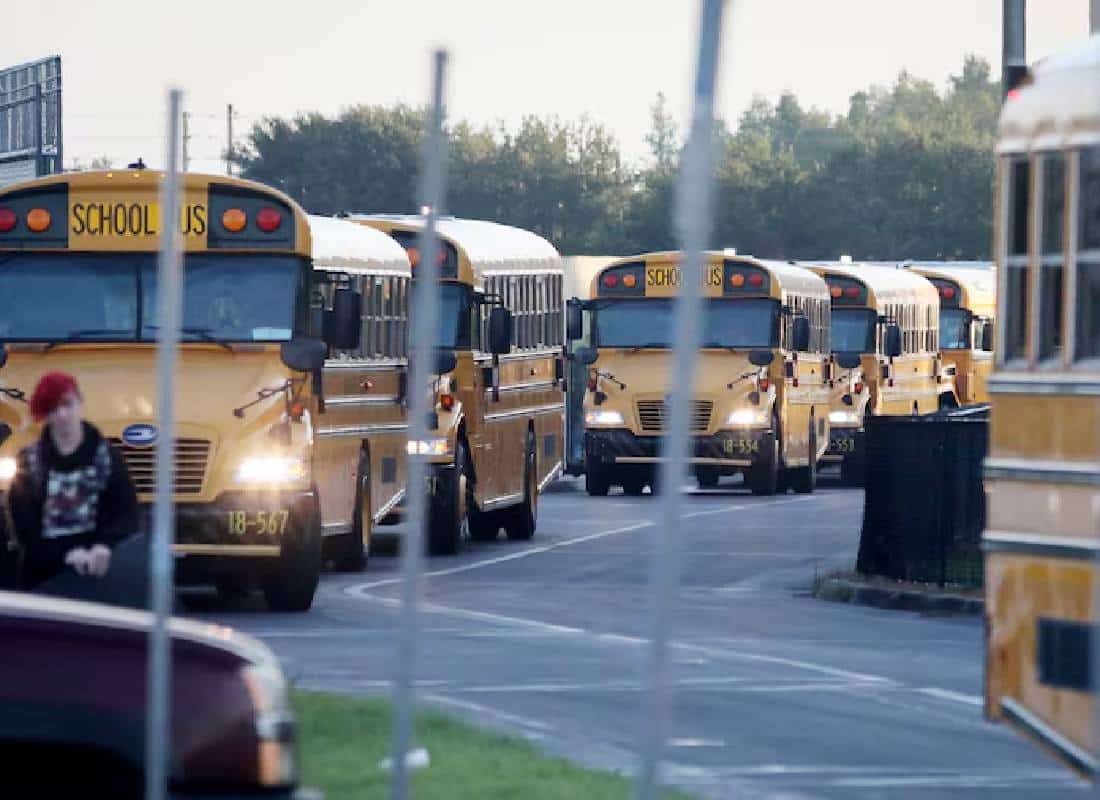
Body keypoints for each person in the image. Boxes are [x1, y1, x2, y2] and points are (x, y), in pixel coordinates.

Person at [6, 371, 139, 591]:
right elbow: (25, 531)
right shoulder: (29, 463)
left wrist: (103, 546)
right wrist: (65, 556)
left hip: (103, 577)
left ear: (80, 404)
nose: (62, 415)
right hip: (45, 581)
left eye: (68, 405)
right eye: (53, 409)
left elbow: (127, 514)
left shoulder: (108, 458)